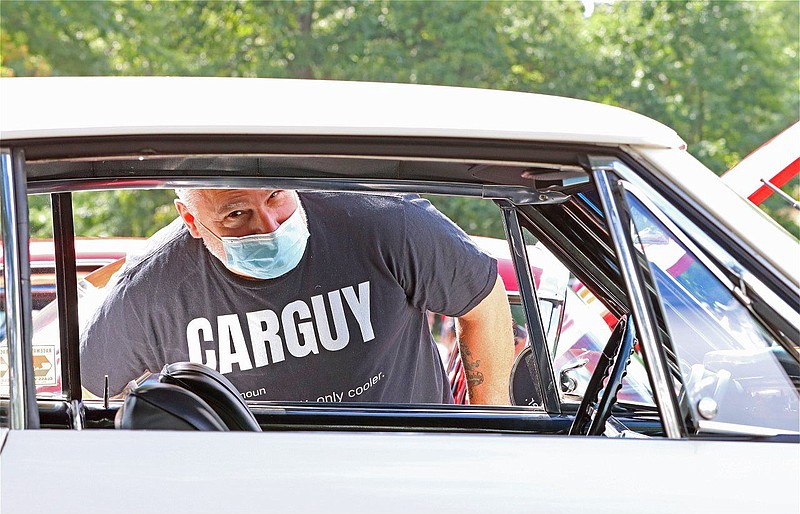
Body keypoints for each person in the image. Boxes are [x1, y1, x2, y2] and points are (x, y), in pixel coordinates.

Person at [80, 188, 514, 404]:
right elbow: (83, 391)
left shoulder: (384, 223)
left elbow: (482, 297)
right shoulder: (151, 291)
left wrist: (490, 430)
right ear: (192, 219)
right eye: (237, 214)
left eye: (276, 197)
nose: (269, 225)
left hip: (407, 476)